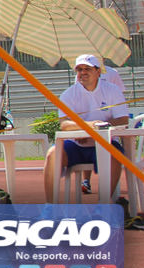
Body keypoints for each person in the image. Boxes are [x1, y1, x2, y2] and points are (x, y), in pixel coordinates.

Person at [43, 54, 129, 202]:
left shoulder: (113, 90)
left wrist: (95, 132)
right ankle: (50, 206)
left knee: (115, 155)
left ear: (98, 72)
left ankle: (103, 205)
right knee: (52, 154)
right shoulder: (68, 94)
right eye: (79, 69)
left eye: (87, 69)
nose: (83, 73)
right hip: (76, 144)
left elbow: (123, 119)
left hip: (104, 143)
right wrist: (91, 126)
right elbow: (65, 124)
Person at [83, 58, 128, 194]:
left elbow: (120, 95)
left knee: (112, 149)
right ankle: (86, 180)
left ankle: (108, 193)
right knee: (85, 141)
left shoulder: (112, 73)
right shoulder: (81, 78)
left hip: (107, 117)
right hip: (90, 121)